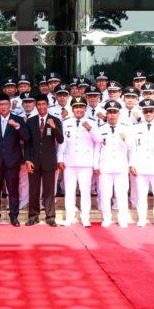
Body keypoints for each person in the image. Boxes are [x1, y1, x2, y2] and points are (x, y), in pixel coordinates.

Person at [0, 93, 30, 227]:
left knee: (13, 190)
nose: (3, 107)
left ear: (10, 105)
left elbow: (26, 138)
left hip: (12, 161)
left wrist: (17, 126)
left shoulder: (18, 119)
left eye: (5, 104)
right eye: (0, 104)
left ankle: (14, 217)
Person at [57, 96, 101, 227]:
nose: (78, 109)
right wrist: (60, 158)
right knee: (69, 191)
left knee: (85, 190)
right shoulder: (66, 122)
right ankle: (69, 217)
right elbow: (61, 143)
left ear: (85, 108)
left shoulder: (92, 122)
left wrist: (90, 129)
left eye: (81, 107)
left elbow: (99, 141)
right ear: (72, 109)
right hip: (69, 162)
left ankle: (85, 217)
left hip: (85, 162)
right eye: (76, 107)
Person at [24, 94, 64, 227]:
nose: (41, 107)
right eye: (39, 104)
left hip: (49, 161)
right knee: (33, 190)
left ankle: (50, 216)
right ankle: (33, 216)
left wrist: (54, 127)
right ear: (36, 106)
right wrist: (27, 160)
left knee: (49, 191)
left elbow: (60, 140)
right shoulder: (31, 121)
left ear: (47, 105)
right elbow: (27, 143)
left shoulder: (55, 120)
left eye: (43, 104)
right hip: (34, 161)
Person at [129, 99, 154, 228]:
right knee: (141, 194)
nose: (148, 113)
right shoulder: (135, 127)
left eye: (150, 111)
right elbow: (133, 147)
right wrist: (132, 164)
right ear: (142, 112)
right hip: (141, 165)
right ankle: (142, 218)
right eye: (145, 111)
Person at [96, 101, 133, 228]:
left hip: (121, 166)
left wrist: (125, 139)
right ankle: (107, 218)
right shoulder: (100, 129)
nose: (112, 115)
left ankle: (122, 218)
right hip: (105, 166)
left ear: (119, 114)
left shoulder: (126, 128)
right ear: (106, 114)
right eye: (110, 112)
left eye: (114, 113)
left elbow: (133, 148)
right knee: (105, 194)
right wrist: (96, 165)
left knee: (121, 194)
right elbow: (97, 148)